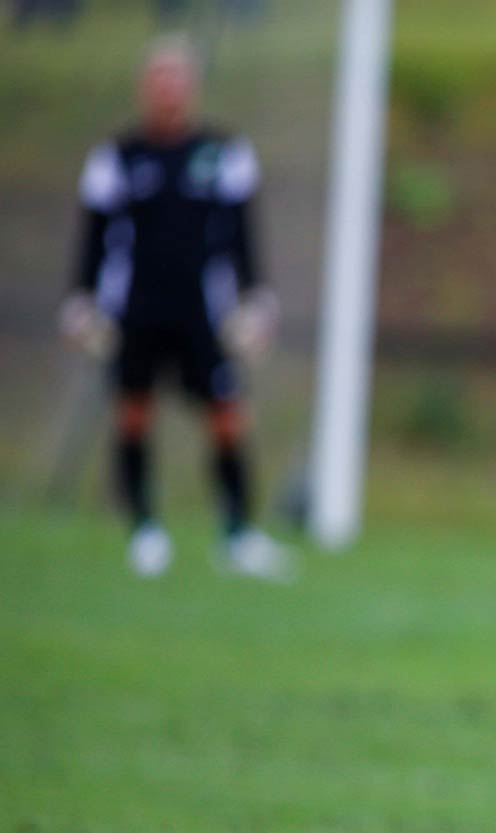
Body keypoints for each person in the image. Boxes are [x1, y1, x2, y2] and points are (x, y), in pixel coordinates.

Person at [61, 34, 292, 581]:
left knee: (228, 418)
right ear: (146, 86)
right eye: (160, 78)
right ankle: (144, 530)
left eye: (178, 78)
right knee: (133, 413)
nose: (169, 89)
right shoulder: (118, 156)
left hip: (202, 312)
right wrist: (82, 297)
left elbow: (242, 235)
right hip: (137, 308)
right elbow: (96, 238)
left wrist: (255, 295)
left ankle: (237, 534)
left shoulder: (222, 153)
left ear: (192, 87)